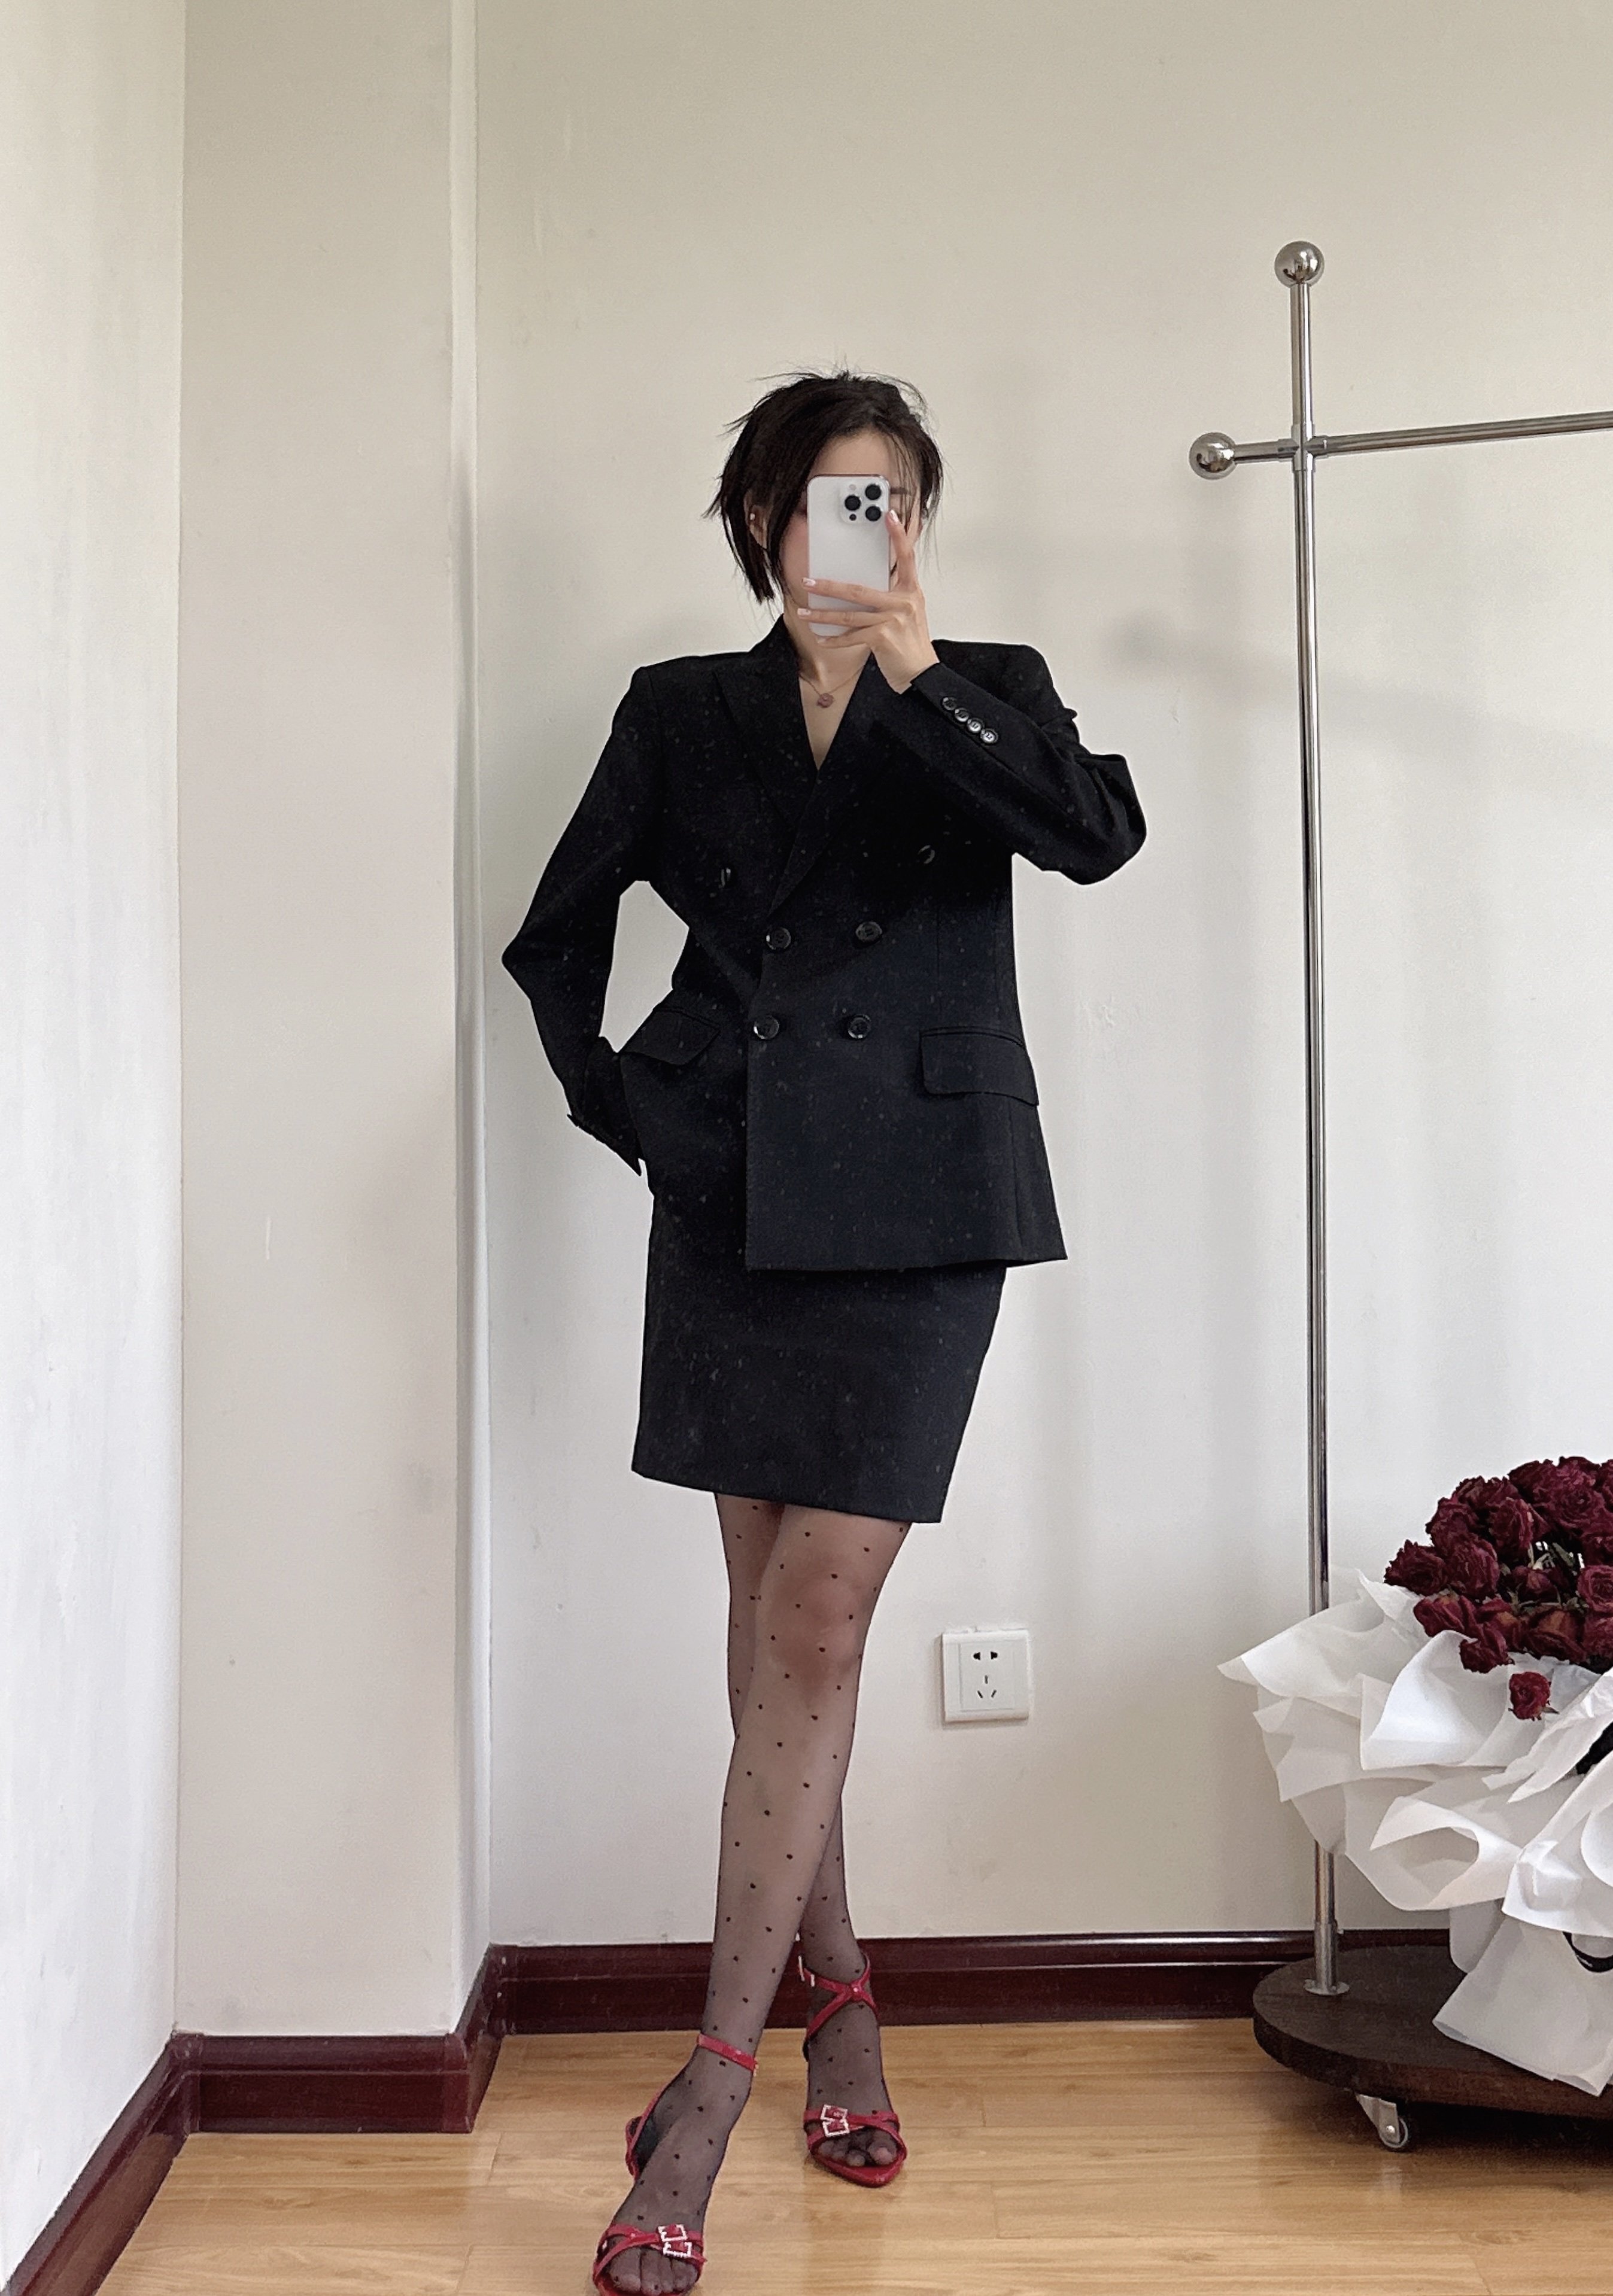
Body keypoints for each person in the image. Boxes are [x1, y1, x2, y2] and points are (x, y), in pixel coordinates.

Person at [502, 368, 1145, 2294]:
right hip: (739, 1198)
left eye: (894, 503)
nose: (863, 532)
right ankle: (840, 2003)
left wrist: (919, 674)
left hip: (928, 1203)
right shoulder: (677, 712)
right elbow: (555, 935)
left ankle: (708, 2083)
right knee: (780, 1616)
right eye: (828, 501)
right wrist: (640, 1113)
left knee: (819, 1616)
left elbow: (1094, 837)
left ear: (919, 529)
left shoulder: (988, 689)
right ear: (762, 521)